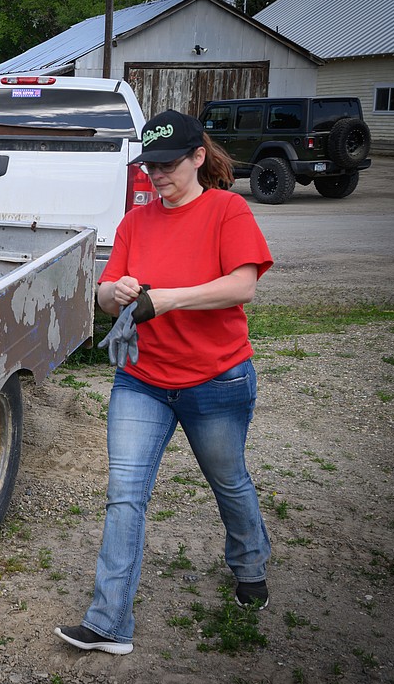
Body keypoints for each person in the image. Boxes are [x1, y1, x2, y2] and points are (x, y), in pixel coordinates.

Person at [55, 109, 274, 655]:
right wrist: (118, 293)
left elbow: (242, 286)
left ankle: (250, 563)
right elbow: (104, 299)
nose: (155, 175)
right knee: (125, 497)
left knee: (229, 481)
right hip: (143, 382)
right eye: (148, 165)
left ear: (198, 157)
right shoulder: (136, 222)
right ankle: (108, 624)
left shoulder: (228, 209)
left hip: (216, 380)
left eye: (167, 164)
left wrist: (166, 298)